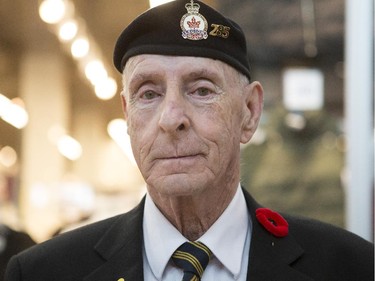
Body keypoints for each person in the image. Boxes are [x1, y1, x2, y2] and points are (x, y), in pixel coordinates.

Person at [5, 1, 374, 280]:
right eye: (148, 94)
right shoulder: (45, 272)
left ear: (249, 112)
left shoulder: (350, 267)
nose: (171, 119)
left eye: (201, 90)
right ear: (127, 116)